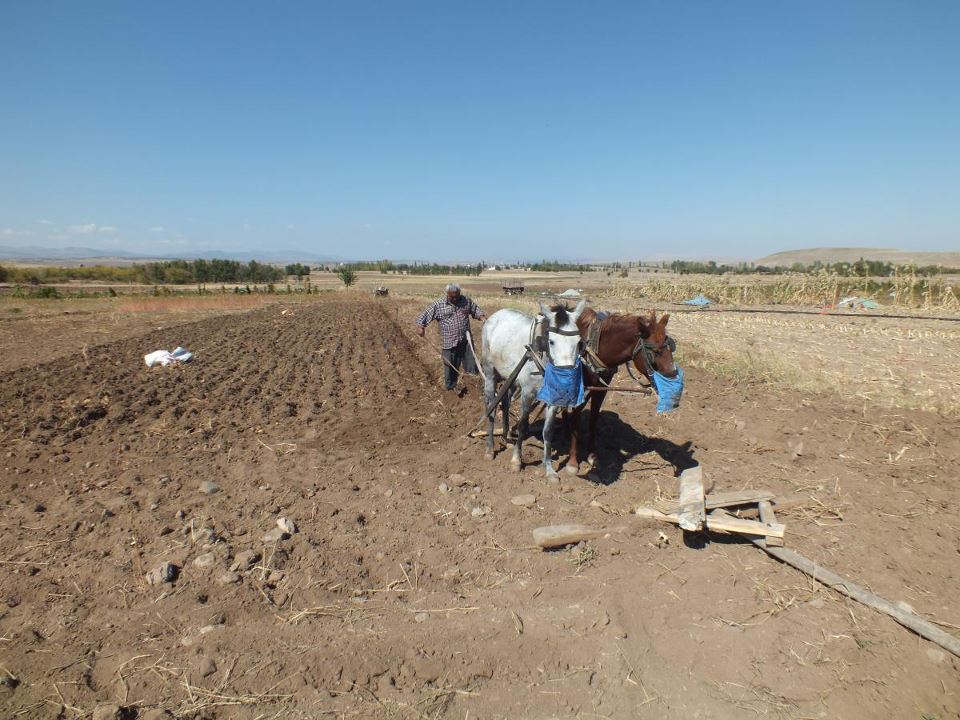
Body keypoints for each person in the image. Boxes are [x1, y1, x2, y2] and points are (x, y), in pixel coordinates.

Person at [416, 283, 486, 391]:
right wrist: (421, 326)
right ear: (447, 294)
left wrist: (482, 317)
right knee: (450, 368)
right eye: (452, 297)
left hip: (465, 341)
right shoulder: (439, 305)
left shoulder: (465, 301)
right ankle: (450, 390)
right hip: (449, 342)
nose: (455, 299)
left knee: (471, 365)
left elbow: (475, 309)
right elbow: (425, 315)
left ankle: (473, 388)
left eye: (457, 296)